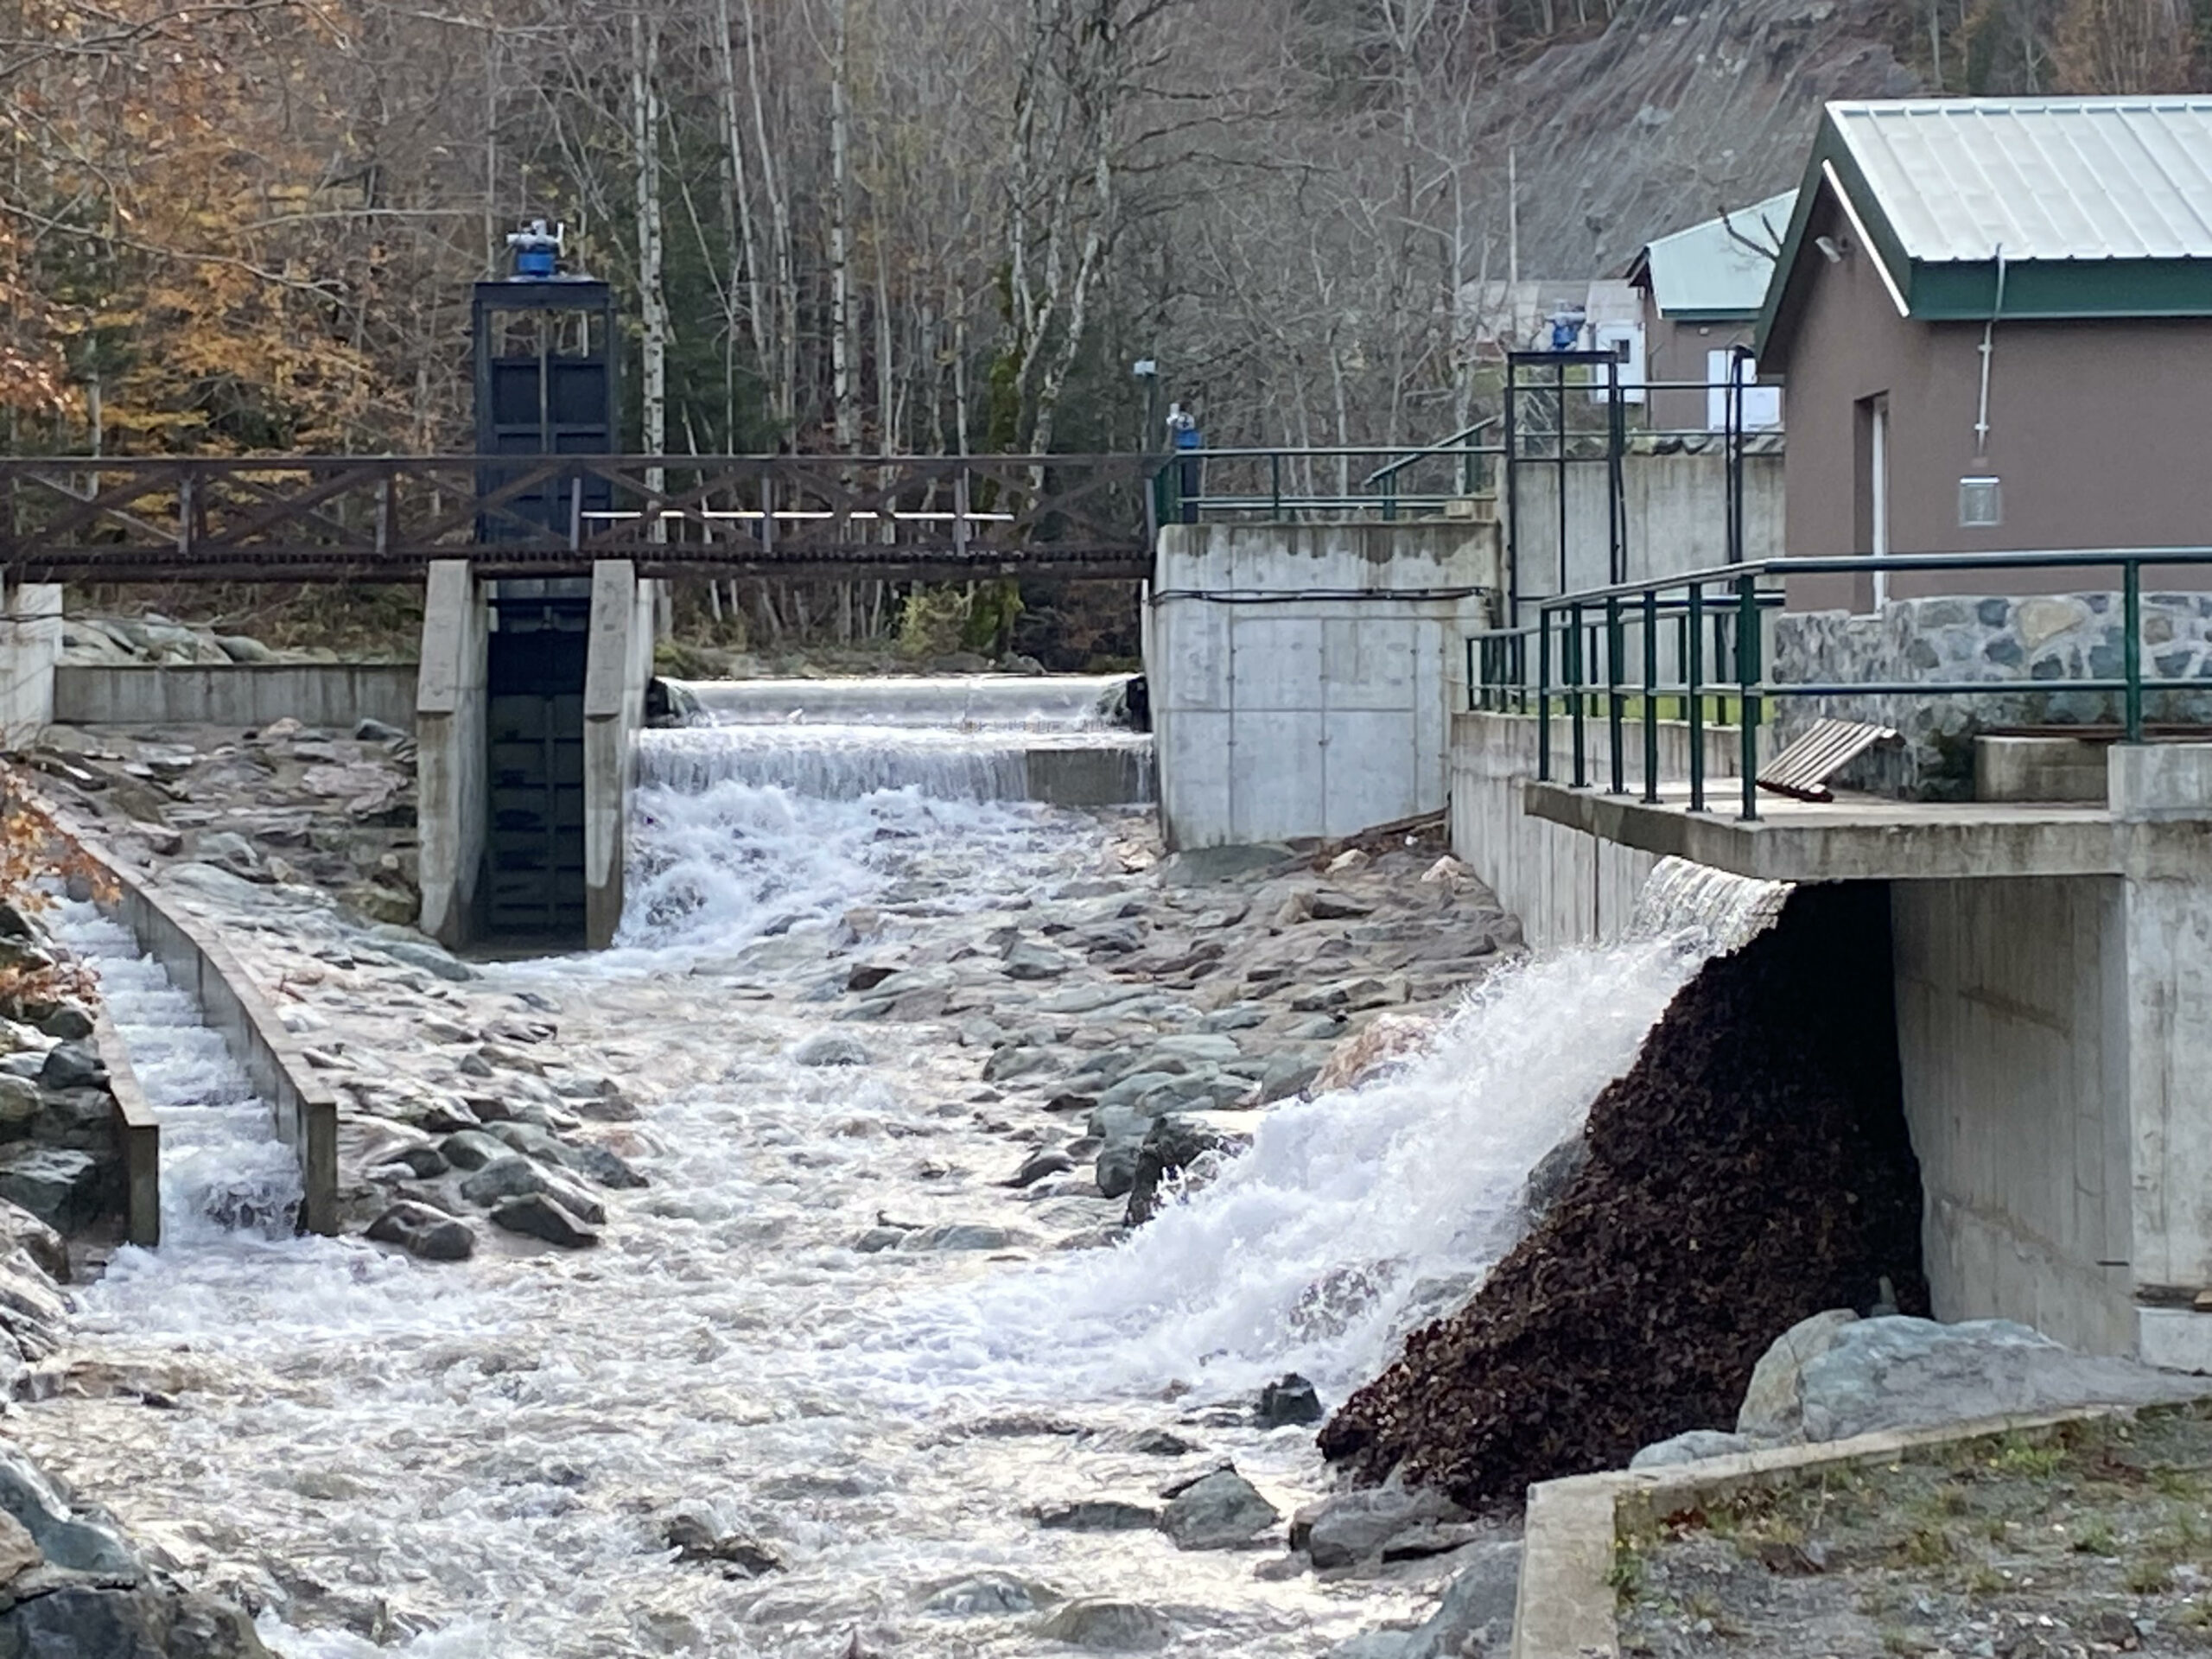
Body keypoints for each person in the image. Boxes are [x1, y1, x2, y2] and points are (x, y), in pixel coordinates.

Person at [1166, 402, 1202, 524]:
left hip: (1186, 449)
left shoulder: (1183, 419)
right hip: (1186, 449)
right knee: (1185, 484)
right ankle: (1187, 513)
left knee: (1188, 484)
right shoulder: (1187, 418)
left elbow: (1179, 424)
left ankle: (1189, 516)